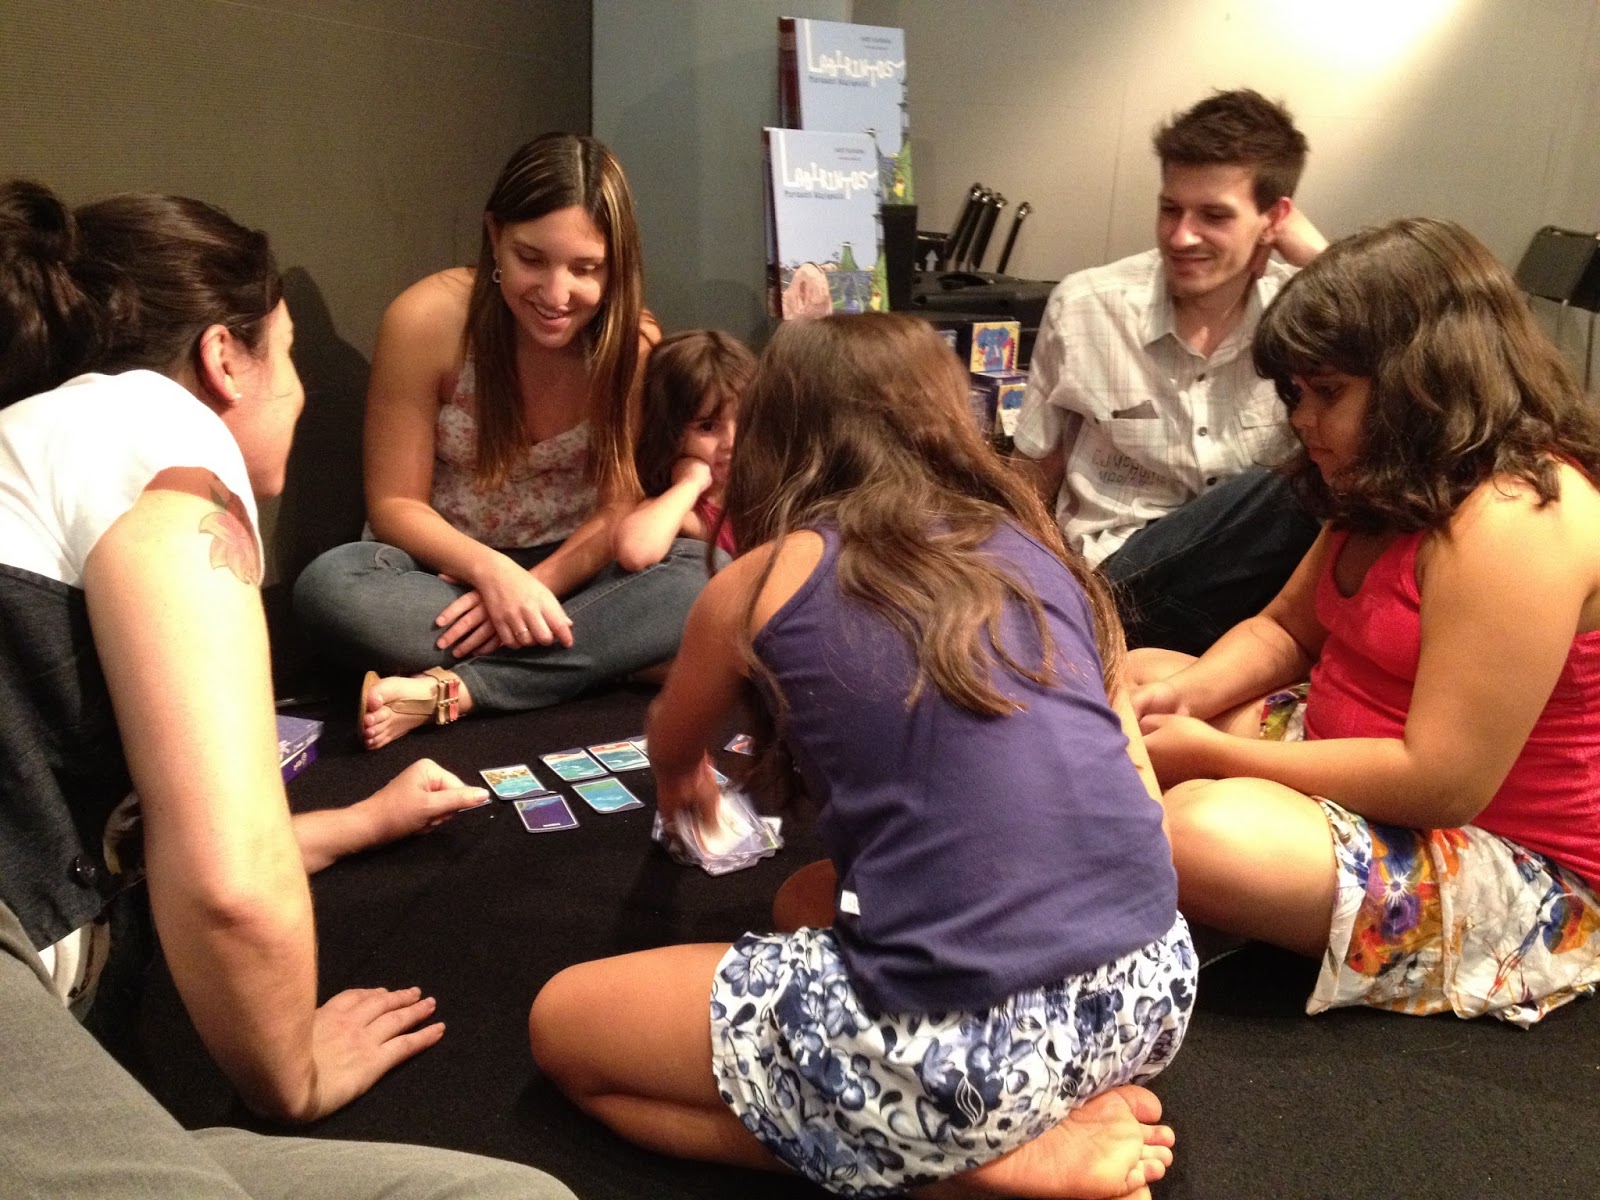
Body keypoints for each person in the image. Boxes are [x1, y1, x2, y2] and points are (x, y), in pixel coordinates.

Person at [528, 313, 1196, 1198]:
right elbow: (1138, 801)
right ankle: (1008, 1120)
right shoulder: (1041, 549)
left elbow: (673, 741)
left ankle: (964, 1169)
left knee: (565, 1030)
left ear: (775, 437)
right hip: (1151, 991)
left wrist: (683, 776)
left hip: (967, 1056)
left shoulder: (759, 577)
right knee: (803, 899)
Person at [0, 179, 574, 1198]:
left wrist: (354, 824)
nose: (301, 390)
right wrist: (292, 1069)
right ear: (226, 357)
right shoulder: (166, 441)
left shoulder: (49, 442)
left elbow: (160, 842)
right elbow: (228, 887)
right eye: (291, 352)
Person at [1131, 217, 1600, 1028]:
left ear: (1422, 382)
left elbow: (1441, 782)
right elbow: (1285, 631)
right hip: (1353, 756)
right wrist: (1191, 698)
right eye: (1297, 395)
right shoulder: (1397, 477)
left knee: (1197, 830)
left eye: (1328, 394)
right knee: (1142, 674)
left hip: (1510, 856)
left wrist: (1213, 752)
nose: (1303, 420)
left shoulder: (1519, 518)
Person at [293, 133, 709, 750]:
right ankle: (607, 660)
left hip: (574, 572)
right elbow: (395, 504)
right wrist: (493, 577)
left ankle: (461, 688)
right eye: (531, 259)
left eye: (585, 269)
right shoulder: (425, 320)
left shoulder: (635, 341)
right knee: (330, 588)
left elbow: (619, 508)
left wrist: (537, 587)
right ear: (494, 236)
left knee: (697, 573)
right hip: (444, 575)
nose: (556, 294)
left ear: (616, 264)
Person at [1013, 88, 1328, 656]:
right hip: (1121, 587)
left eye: (1214, 216)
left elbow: (1425, 368)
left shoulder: (1309, 312)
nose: (1181, 237)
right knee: (1299, 483)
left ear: (1274, 219)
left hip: (1254, 599)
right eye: (1169, 209)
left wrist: (1322, 261)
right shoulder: (1086, 307)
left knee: (1351, 464)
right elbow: (1032, 474)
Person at [613, 329, 754, 571]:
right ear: (672, 433)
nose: (732, 441)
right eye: (708, 427)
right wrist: (690, 484)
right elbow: (635, 550)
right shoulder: (689, 512)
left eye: (745, 419)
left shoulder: (768, 487)